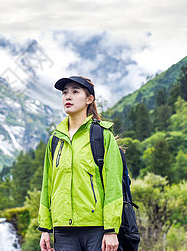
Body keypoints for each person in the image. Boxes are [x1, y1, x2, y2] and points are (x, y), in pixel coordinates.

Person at [38, 76, 123, 251]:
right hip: (63, 231)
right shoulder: (55, 140)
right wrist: (45, 229)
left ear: (89, 99)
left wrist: (111, 230)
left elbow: (113, 186)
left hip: (97, 229)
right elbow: (48, 185)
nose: (68, 97)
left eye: (75, 92)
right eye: (64, 93)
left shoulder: (102, 136)